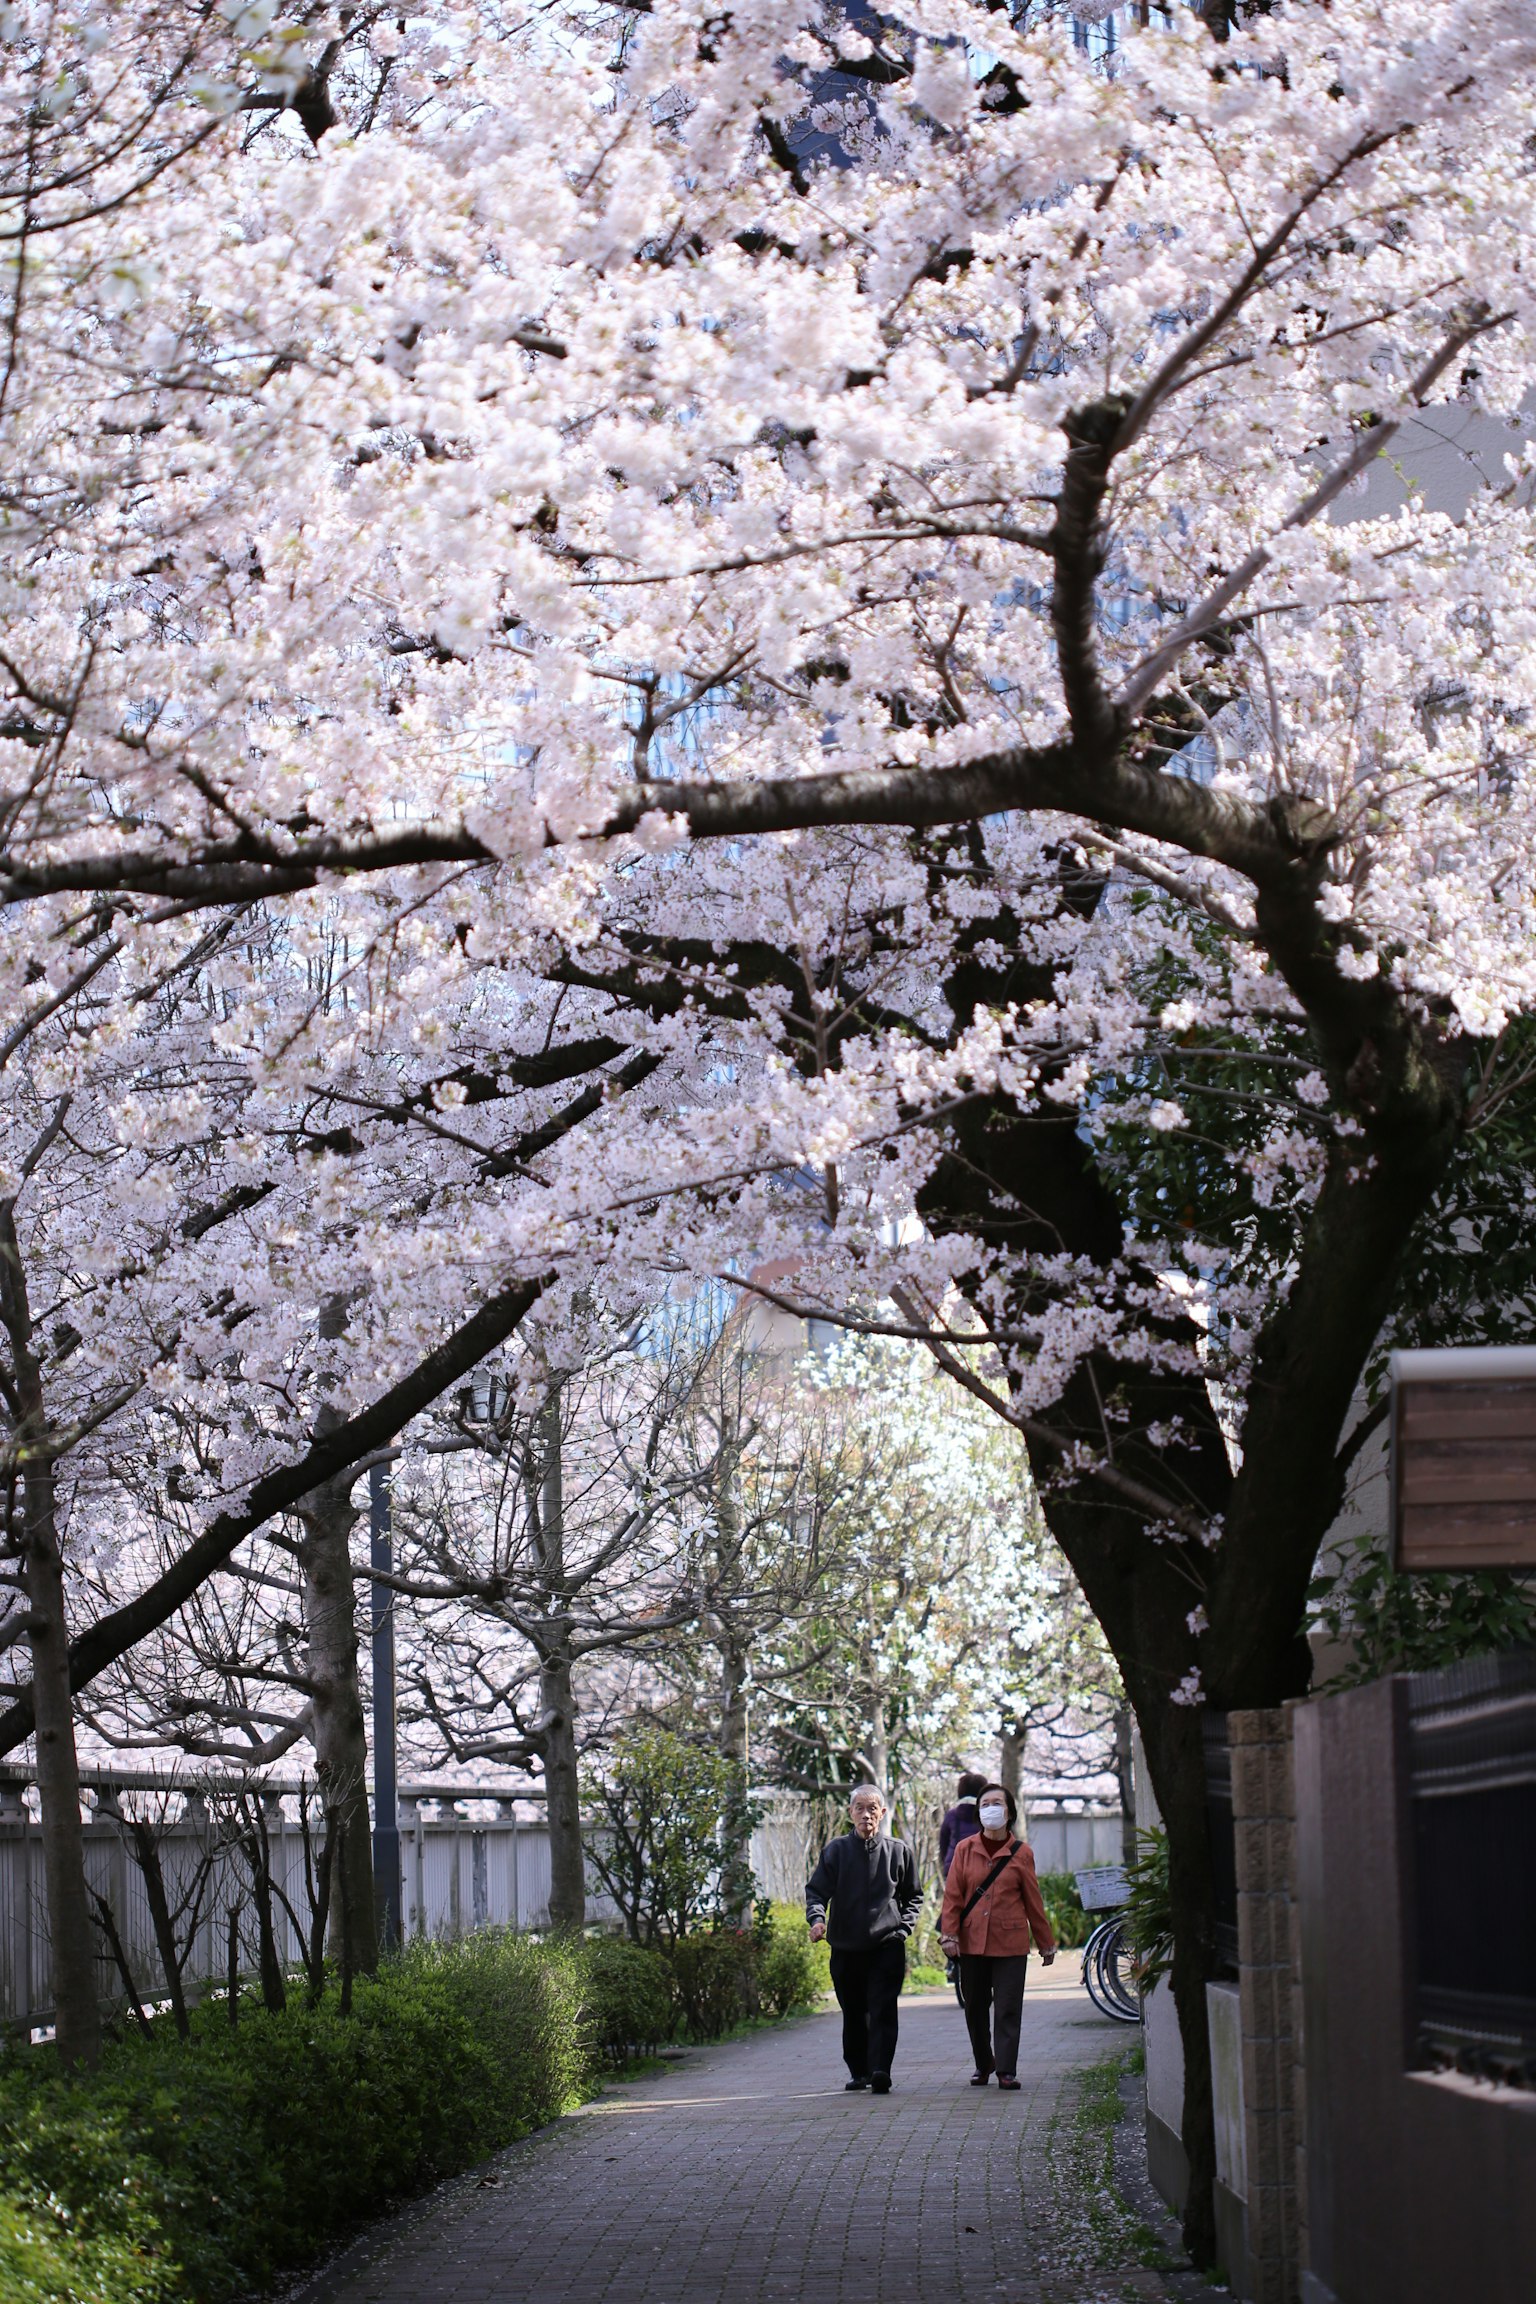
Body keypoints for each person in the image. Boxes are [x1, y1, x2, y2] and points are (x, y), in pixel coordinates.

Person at [806, 1784, 923, 2094]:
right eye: (859, 1807)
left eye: (873, 1808)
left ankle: (881, 2069)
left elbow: (914, 1897)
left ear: (883, 1813)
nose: (866, 1814)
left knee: (883, 2007)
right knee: (854, 2011)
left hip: (886, 1945)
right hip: (845, 1947)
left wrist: (902, 1930)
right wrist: (817, 1920)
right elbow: (817, 1891)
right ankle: (859, 2071)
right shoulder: (836, 1851)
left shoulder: (899, 1851)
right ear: (850, 1813)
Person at [938, 1781, 1056, 2091]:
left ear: (1010, 1811)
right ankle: (983, 2063)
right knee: (975, 2006)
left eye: (997, 1803)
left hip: (1011, 1944)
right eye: (985, 1803)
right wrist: (949, 1933)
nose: (991, 1809)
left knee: (1007, 2007)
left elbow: (1033, 1899)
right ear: (978, 1811)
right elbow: (953, 1896)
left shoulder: (1022, 1853)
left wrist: (1046, 1942)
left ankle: (1006, 2069)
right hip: (971, 1941)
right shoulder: (965, 1849)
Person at [939, 1770, 989, 1876]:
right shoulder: (991, 1816)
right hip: (983, 1872)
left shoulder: (951, 1815)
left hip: (954, 1869)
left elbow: (943, 1845)